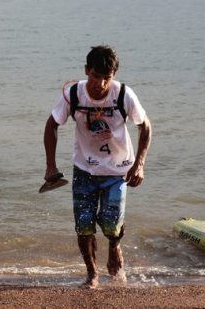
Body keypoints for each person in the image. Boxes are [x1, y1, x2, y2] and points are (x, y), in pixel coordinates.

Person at [43, 45, 152, 288]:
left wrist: (140, 164)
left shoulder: (124, 95)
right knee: (83, 225)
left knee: (112, 225)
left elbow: (145, 126)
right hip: (84, 169)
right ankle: (92, 274)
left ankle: (114, 246)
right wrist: (50, 165)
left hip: (118, 170)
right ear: (86, 71)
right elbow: (52, 124)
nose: (101, 84)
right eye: (95, 76)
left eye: (107, 78)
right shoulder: (73, 94)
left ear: (113, 77)